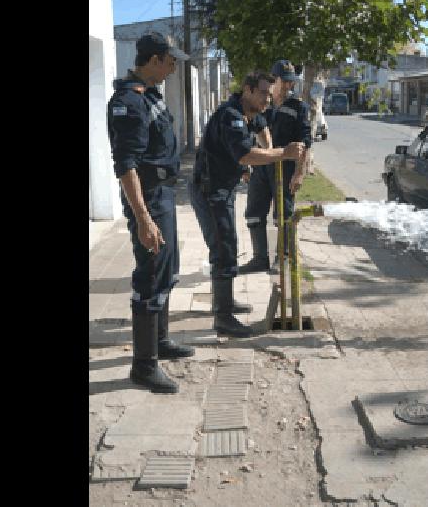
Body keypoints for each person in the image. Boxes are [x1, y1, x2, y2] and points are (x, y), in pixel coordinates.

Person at [106, 32, 192, 394]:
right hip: (148, 198)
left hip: (163, 194)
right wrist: (143, 217)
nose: (174, 68)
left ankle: (160, 341)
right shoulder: (129, 101)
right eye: (171, 61)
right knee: (151, 271)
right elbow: (126, 164)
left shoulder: (150, 95)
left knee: (168, 268)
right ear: (155, 60)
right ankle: (143, 365)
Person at [190, 71, 306, 337]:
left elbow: (262, 127)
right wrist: (282, 153)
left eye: (270, 93)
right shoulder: (231, 116)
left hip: (221, 189)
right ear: (248, 90)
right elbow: (245, 155)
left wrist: (270, 148)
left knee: (227, 245)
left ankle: (226, 303)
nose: (268, 98)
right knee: (223, 247)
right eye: (264, 93)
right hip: (209, 191)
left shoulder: (249, 111)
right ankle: (223, 318)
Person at [239, 59, 312, 274]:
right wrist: (244, 167)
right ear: (274, 80)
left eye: (291, 81)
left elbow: (305, 143)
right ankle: (259, 259)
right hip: (260, 167)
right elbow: (247, 135)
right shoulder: (260, 103)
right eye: (285, 81)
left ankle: (284, 258)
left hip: (284, 169)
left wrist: (299, 173)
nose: (289, 85)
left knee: (284, 215)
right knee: (253, 212)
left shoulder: (298, 107)